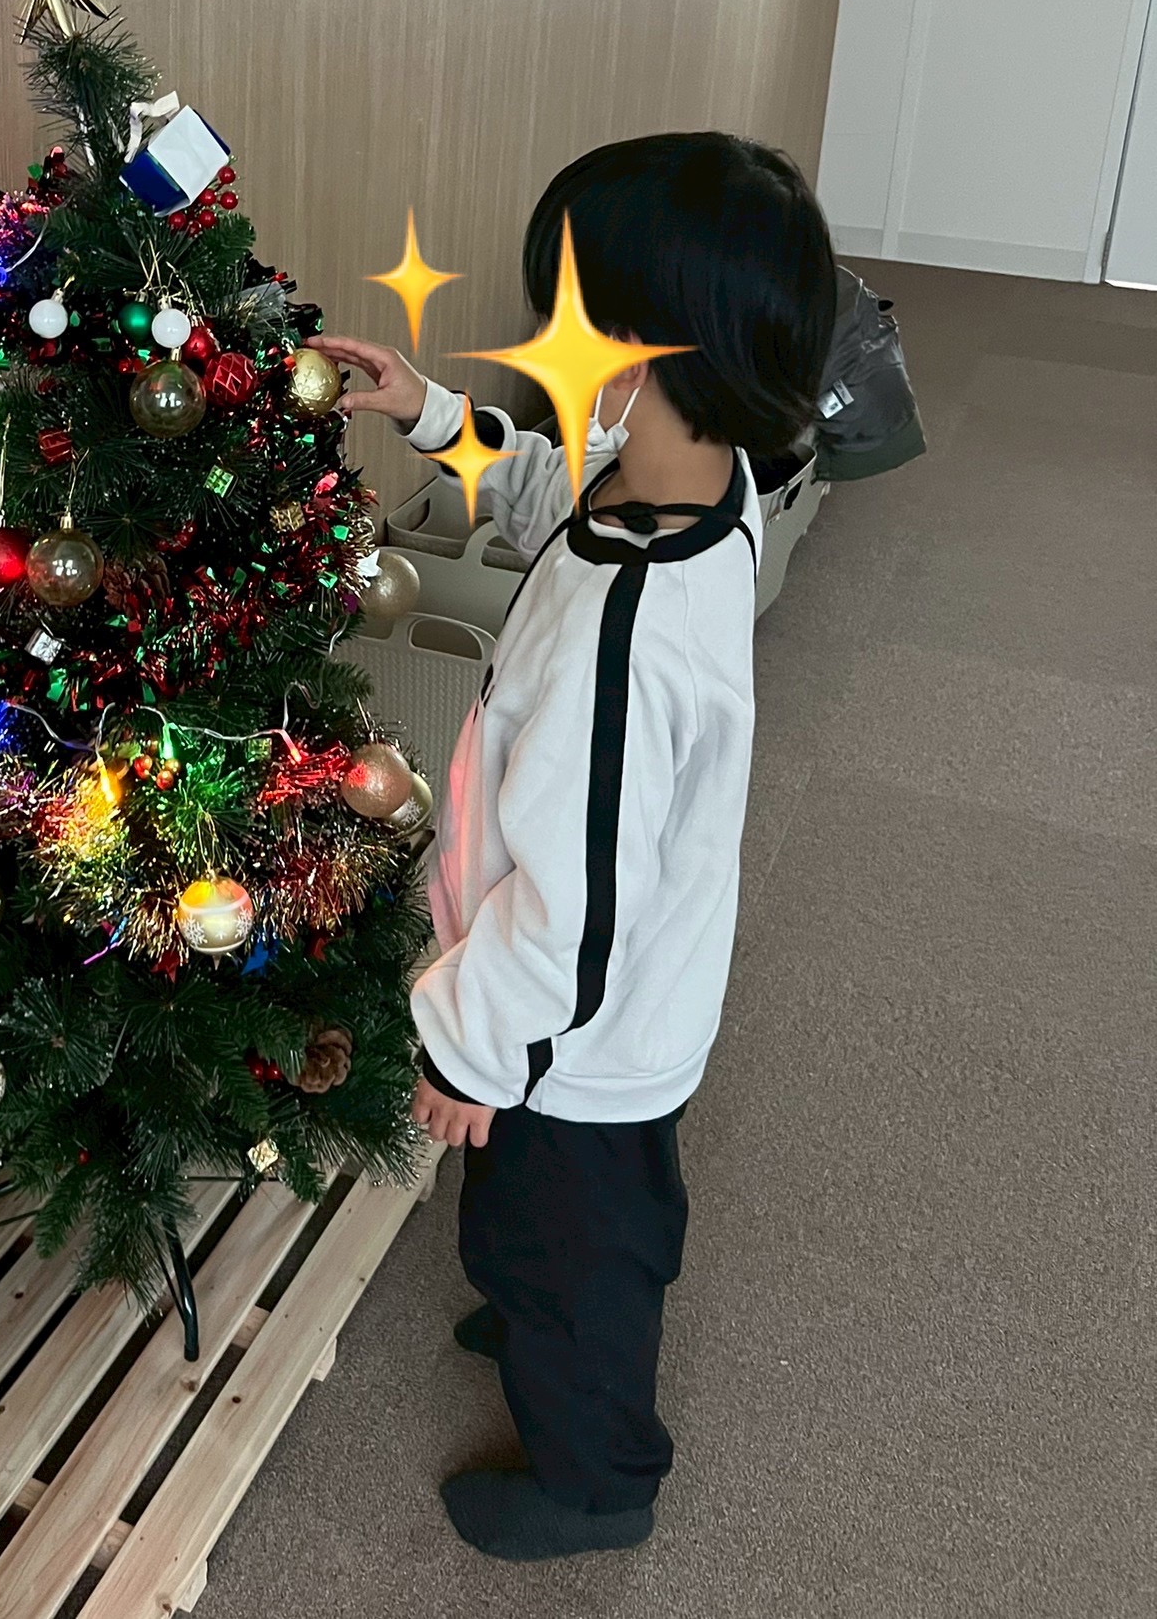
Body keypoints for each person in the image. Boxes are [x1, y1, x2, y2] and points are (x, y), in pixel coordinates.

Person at [315, 131, 836, 1563]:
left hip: (575, 1037)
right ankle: (542, 1283)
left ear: (643, 347)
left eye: (567, 305)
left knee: (572, 1249)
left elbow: (573, 914)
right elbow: (552, 488)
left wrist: (471, 1053)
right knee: (567, 1219)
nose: (547, 330)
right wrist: (431, 414)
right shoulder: (691, 481)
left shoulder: (628, 642)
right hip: (615, 1013)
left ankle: (599, 1483)